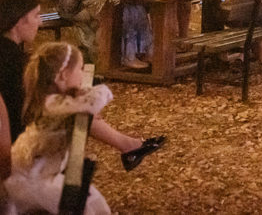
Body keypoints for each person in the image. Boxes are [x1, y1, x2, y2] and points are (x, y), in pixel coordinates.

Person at [5, 42, 164, 215]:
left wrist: (81, 102)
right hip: (31, 179)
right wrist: (84, 97)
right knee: (87, 207)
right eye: (80, 69)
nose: (82, 74)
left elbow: (86, 105)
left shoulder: (56, 101)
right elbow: (101, 96)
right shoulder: (52, 103)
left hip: (42, 173)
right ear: (63, 76)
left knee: (95, 203)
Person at [0, 0, 42, 144]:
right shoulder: (14, 63)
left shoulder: (10, 52)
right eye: (36, 15)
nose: (41, 22)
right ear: (18, 21)